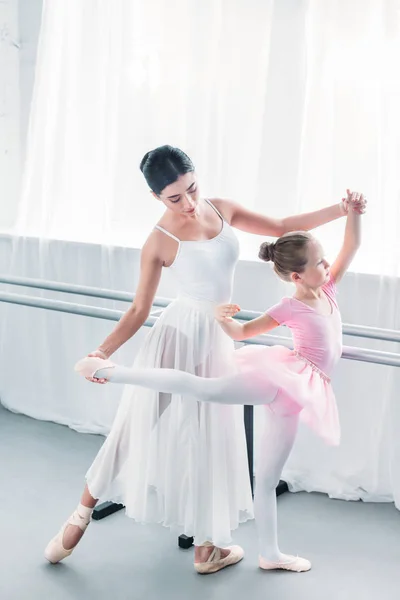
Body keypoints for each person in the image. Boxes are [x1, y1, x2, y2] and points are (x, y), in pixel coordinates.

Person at [45, 144, 360, 574]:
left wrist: (341, 211)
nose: (189, 203)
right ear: (157, 197)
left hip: (218, 337)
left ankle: (207, 547)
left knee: (212, 437)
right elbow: (139, 310)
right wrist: (102, 351)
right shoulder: (159, 240)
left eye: (192, 189)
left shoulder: (221, 208)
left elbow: (283, 225)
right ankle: (80, 514)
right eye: (175, 198)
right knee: (136, 423)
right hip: (178, 332)